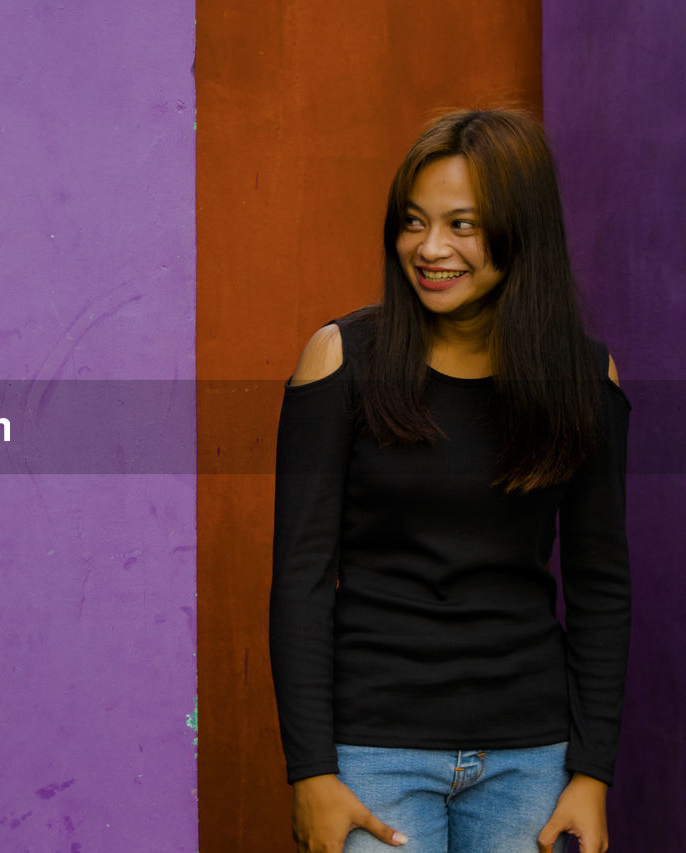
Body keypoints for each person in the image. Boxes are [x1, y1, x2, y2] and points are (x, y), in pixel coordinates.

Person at [269, 109, 630, 853]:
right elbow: (301, 577)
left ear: (519, 232)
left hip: (532, 758)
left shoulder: (584, 380)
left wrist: (591, 772)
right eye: (413, 221)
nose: (429, 249)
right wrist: (310, 773)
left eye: (462, 224)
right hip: (372, 754)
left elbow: (601, 584)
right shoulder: (342, 360)